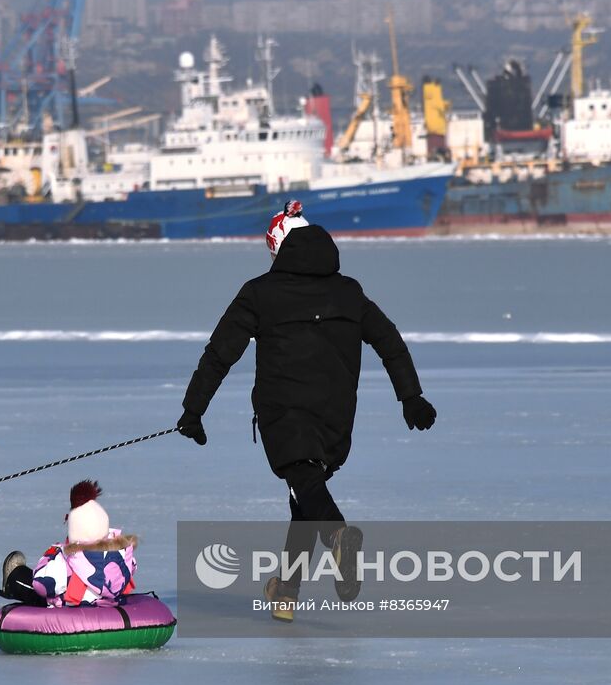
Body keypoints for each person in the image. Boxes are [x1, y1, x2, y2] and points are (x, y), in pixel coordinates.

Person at [175, 201, 437, 621]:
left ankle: (339, 536)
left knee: (306, 487)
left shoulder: (259, 293)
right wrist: (411, 397)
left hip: (285, 412)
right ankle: (286, 592)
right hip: (336, 414)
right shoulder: (349, 291)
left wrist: (194, 409)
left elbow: (220, 353)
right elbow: (390, 341)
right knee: (304, 495)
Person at [1, 480, 138, 607]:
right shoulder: (122, 556)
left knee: (37, 590)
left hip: (74, 608)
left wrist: (52, 556)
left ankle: (13, 580)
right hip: (104, 604)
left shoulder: (69, 561)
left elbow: (41, 584)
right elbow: (133, 566)